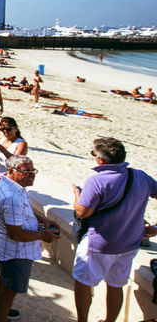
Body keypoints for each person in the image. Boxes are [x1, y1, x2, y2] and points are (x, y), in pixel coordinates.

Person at [72, 137, 157, 322]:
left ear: (100, 160)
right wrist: (156, 228)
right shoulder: (140, 176)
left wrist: (77, 198)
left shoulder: (97, 180)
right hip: (129, 245)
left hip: (99, 245)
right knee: (116, 285)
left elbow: (83, 212)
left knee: (83, 282)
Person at [0, 156, 61, 321]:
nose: (31, 175)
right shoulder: (12, 197)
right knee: (10, 290)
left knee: (4, 278)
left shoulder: (7, 184)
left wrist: (43, 220)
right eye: (26, 171)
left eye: (33, 170)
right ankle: (0, 317)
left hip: (5, 248)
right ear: (11, 171)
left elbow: (23, 210)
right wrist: (44, 235)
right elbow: (16, 234)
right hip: (16, 252)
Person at [0, 117, 27, 186]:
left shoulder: (21, 144)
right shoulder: (2, 141)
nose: (5, 132)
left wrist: (0, 147)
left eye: (8, 129)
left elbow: (15, 162)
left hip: (10, 179)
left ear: (16, 129)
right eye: (2, 129)